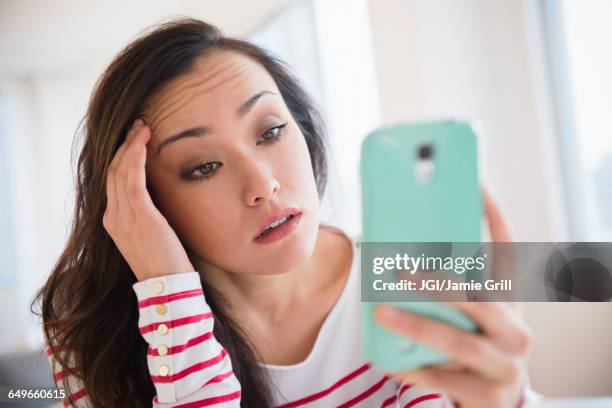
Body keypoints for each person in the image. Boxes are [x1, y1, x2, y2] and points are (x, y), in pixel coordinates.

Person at [33, 18, 538, 407]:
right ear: (142, 200)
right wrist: (168, 296)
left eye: (271, 132)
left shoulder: (410, 283)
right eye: (204, 166)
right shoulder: (94, 339)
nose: (262, 185)